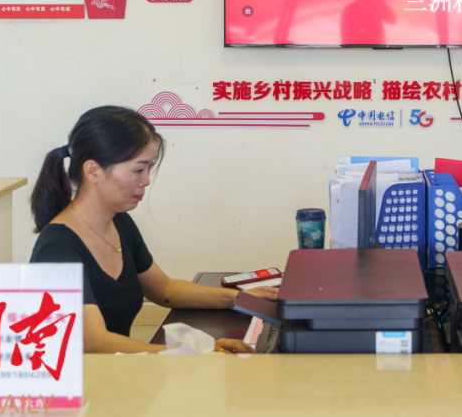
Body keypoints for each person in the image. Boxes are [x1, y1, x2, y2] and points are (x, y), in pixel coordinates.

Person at [29, 106, 277, 354]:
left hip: (118, 366)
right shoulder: (57, 250)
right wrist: (193, 352)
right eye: (138, 169)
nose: (146, 179)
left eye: (148, 168)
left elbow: (164, 289)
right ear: (93, 170)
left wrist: (239, 299)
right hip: (88, 375)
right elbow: (94, 341)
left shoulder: (119, 222)